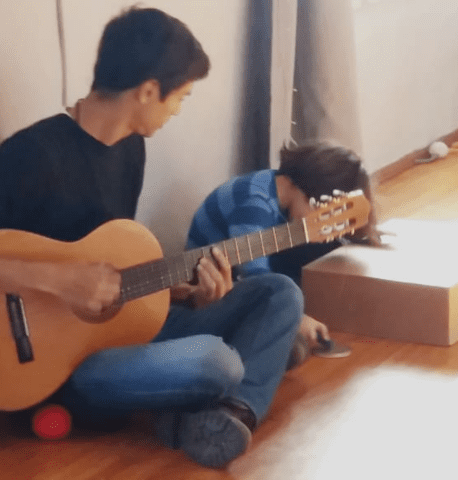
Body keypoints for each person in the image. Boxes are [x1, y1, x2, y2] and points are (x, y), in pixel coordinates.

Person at [0, 7, 303, 469]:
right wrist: (60, 280)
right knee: (216, 362)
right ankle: (223, 389)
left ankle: (229, 414)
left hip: (125, 332)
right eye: (179, 97)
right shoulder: (30, 154)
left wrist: (190, 295)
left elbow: (120, 277)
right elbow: (75, 283)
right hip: (63, 369)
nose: (177, 110)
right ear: (146, 91)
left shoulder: (131, 149)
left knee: (280, 294)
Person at [187, 141, 381, 363]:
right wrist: (298, 318)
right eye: (325, 212)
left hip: (250, 265)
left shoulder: (278, 189)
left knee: (332, 251)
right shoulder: (253, 205)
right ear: (313, 197)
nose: (326, 221)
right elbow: (258, 277)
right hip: (215, 287)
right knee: (290, 343)